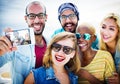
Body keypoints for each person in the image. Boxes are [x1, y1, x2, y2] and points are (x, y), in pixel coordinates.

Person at [0, 1, 47, 84]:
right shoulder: (14, 43)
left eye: (40, 15)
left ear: (46, 17)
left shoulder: (51, 43)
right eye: (32, 16)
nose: (36, 20)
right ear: (26, 19)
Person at [100, 13, 120, 84]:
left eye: (111, 29)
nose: (105, 32)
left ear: (118, 32)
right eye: (103, 27)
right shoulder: (96, 46)